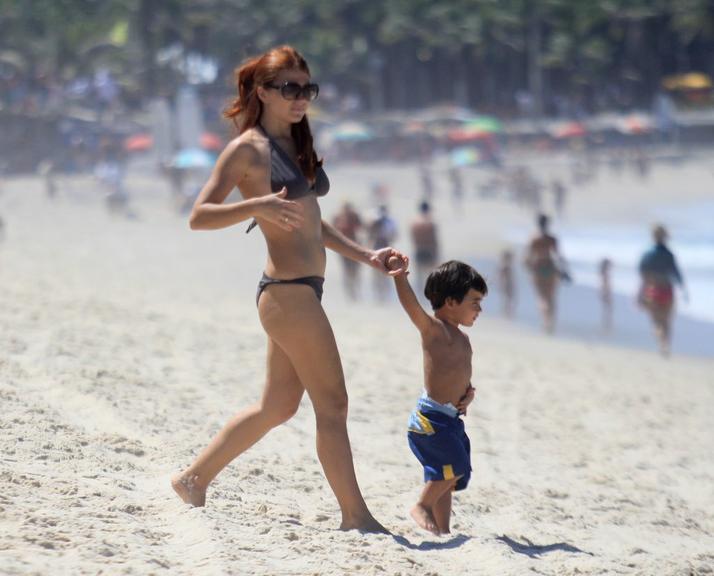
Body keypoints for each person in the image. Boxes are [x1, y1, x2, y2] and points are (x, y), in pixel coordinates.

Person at [171, 46, 406, 533]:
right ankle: (356, 517)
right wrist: (255, 205)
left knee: (277, 406)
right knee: (333, 405)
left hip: (300, 292)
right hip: (287, 294)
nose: (301, 98)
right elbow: (199, 216)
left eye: (307, 89)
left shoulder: (297, 142)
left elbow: (311, 224)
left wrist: (366, 256)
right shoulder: (247, 149)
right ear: (262, 92)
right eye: (290, 89)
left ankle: (193, 480)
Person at [389, 258, 486, 535]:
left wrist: (469, 394)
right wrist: (399, 277)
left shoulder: (463, 340)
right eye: (474, 302)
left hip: (451, 420)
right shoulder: (434, 331)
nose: (479, 309)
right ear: (451, 302)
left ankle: (442, 530)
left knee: (448, 477)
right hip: (431, 420)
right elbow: (411, 307)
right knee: (453, 466)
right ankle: (421, 505)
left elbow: (460, 375)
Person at [638, 224, 687, 356]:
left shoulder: (648, 254)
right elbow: (677, 274)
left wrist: (640, 293)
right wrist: (684, 290)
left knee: (656, 321)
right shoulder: (669, 255)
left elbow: (643, 274)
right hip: (667, 290)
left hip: (653, 290)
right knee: (667, 321)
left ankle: (661, 342)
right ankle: (666, 344)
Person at [524, 214, 568, 333]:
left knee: (542, 297)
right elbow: (559, 257)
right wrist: (564, 271)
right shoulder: (552, 239)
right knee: (551, 297)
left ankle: (545, 321)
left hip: (538, 269)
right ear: (548, 224)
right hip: (550, 268)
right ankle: (550, 322)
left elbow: (527, 259)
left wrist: (530, 270)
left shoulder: (534, 239)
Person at [332, 201, 364, 300]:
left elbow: (361, 228)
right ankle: (350, 292)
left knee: (355, 270)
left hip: (354, 245)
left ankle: (355, 289)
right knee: (346, 270)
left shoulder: (354, 216)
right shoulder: (338, 217)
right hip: (342, 246)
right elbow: (332, 230)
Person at [367, 204, 398, 301]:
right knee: (380, 273)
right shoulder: (386, 221)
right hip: (382, 247)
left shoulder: (387, 222)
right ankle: (379, 295)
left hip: (381, 247)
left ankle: (382, 295)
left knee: (381, 272)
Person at [410, 201, 439, 292]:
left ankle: (419, 297)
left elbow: (413, 239)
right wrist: (436, 255)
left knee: (419, 277)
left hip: (419, 250)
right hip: (429, 250)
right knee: (430, 276)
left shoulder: (414, 223)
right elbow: (434, 240)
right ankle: (428, 297)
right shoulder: (430, 223)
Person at [498, 249, 515, 318]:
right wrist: (502, 284)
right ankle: (506, 313)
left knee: (507, 299)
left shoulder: (504, 265)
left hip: (507, 284)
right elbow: (502, 276)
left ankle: (506, 312)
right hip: (507, 284)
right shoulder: (505, 265)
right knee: (507, 299)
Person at [599, 258, 613, 334]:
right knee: (608, 310)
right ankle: (606, 327)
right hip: (606, 293)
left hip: (605, 293)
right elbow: (605, 285)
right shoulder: (605, 274)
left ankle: (606, 326)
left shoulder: (603, 273)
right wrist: (606, 293)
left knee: (607, 310)